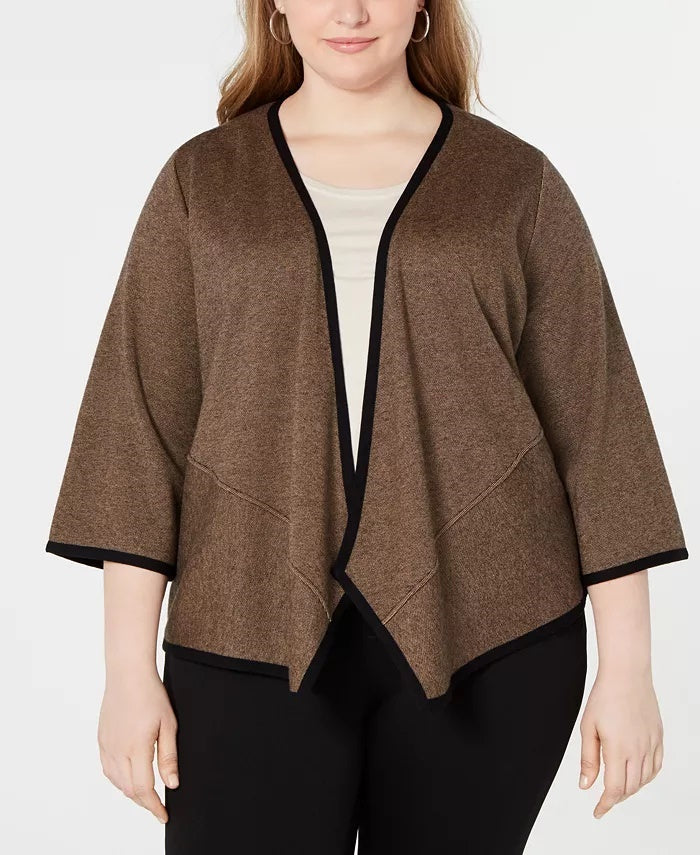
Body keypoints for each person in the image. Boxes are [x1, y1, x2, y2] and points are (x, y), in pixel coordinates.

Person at [45, 2, 689, 853]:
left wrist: (628, 669)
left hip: (490, 636)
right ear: (276, 5)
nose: (349, 12)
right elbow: (138, 431)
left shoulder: (515, 182)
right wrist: (127, 672)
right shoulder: (202, 182)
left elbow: (599, 424)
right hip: (244, 626)